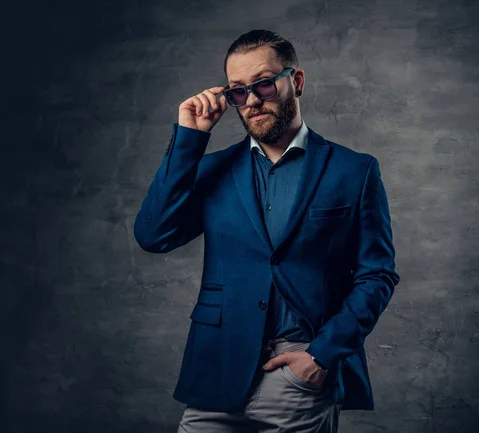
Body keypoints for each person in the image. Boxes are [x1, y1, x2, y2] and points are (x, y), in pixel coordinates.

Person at [133, 29, 400, 433]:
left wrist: (321, 356)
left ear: (296, 81)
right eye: (237, 91)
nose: (252, 100)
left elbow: (377, 275)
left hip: (300, 373)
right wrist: (191, 137)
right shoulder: (212, 169)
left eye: (263, 84)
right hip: (216, 370)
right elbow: (154, 235)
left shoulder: (354, 170)